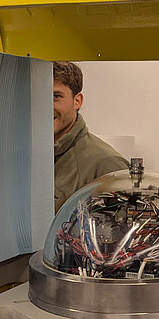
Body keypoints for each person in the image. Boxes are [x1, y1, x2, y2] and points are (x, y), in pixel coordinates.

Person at [53, 61, 128, 212]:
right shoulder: (22, 155)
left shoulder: (106, 165)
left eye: (56, 96)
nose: (44, 105)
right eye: (37, 96)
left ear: (77, 101)